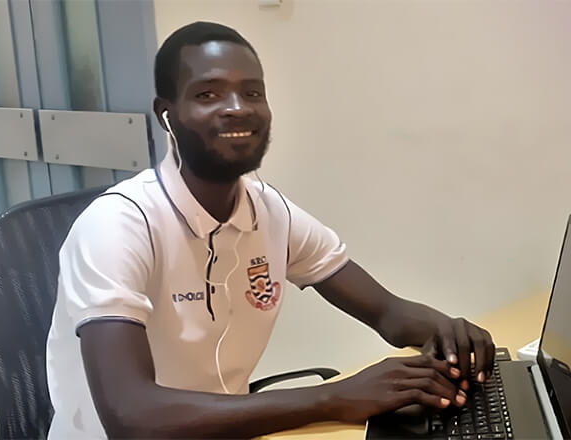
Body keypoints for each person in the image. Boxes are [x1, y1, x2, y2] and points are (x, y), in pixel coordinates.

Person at [46, 21, 495, 439]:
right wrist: (332, 398)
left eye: (253, 93)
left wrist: (450, 333)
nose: (238, 109)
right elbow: (133, 417)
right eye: (208, 95)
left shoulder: (269, 212)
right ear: (167, 114)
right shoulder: (118, 226)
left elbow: (388, 313)